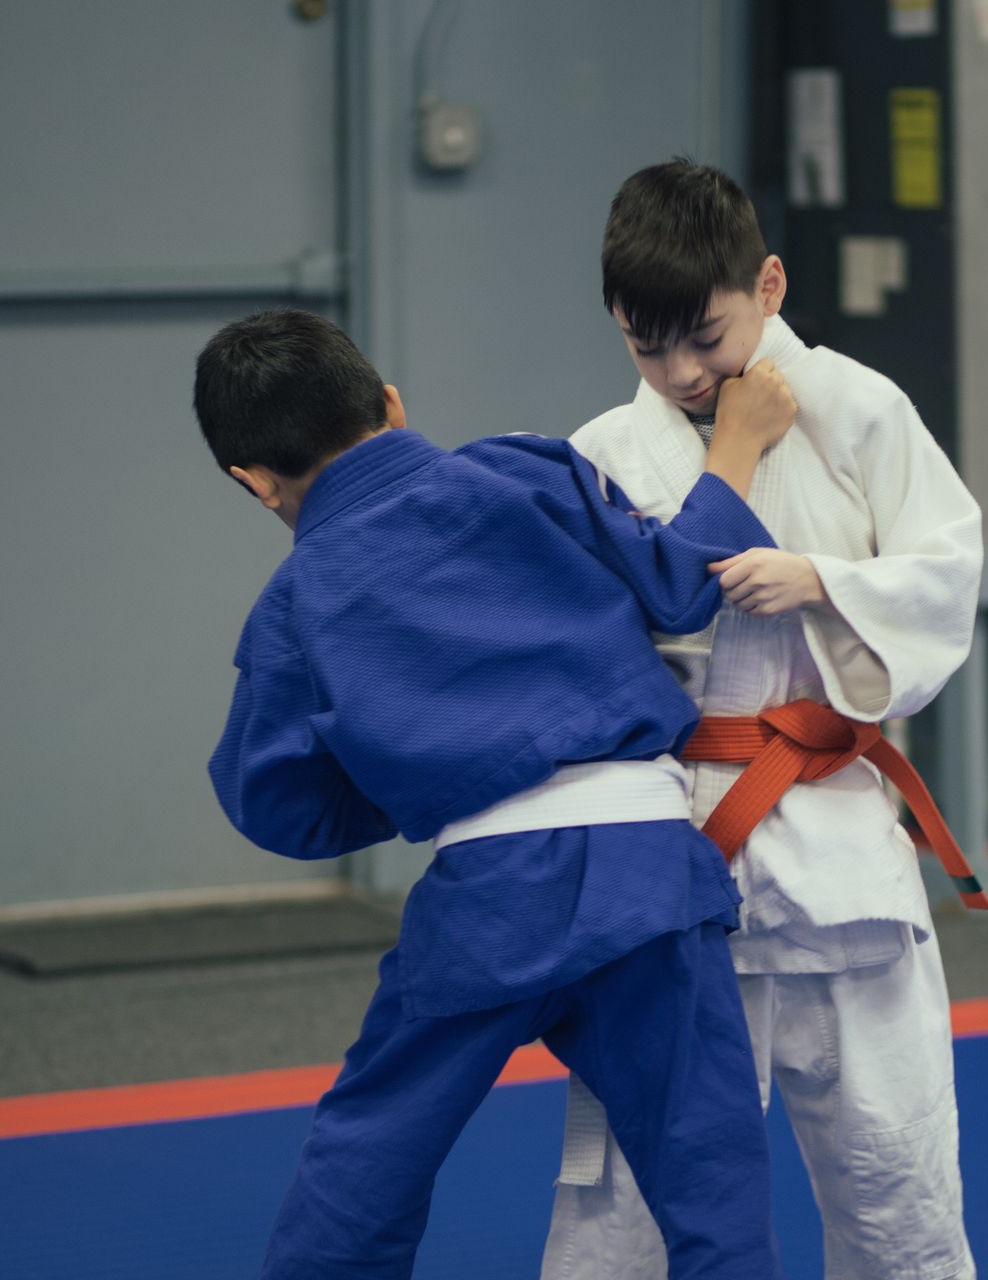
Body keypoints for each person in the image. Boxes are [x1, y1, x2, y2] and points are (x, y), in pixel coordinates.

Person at [197, 308, 797, 1279]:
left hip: (486, 892)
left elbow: (275, 803)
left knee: (368, 1153)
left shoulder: (294, 603)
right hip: (648, 868)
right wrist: (734, 444)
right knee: (710, 1175)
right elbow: (685, 588)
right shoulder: (528, 469)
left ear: (253, 480)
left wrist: (420, 764)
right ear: (391, 404)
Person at [541, 159, 987, 1280]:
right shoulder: (600, 452)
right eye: (650, 347)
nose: (685, 373)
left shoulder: (862, 409)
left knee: (897, 1168)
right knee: (636, 1188)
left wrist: (826, 582)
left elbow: (947, 571)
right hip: (676, 849)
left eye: (707, 336)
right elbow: (587, 647)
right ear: (615, 323)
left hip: (839, 851)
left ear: (770, 285)